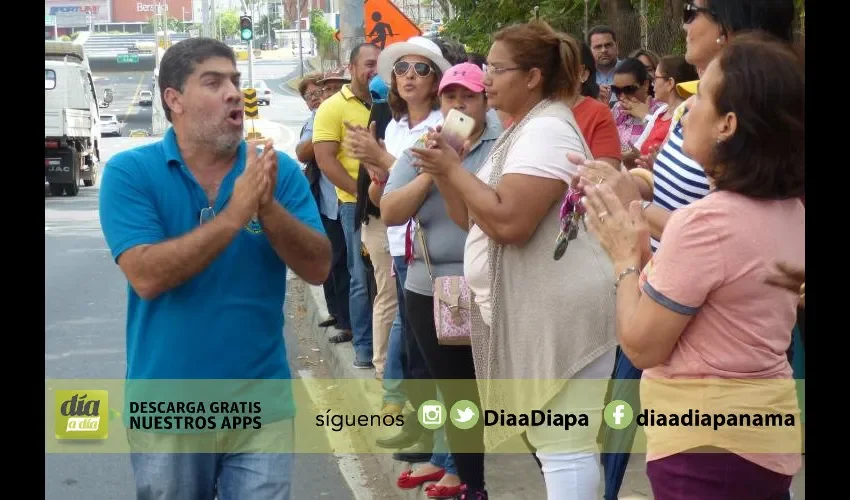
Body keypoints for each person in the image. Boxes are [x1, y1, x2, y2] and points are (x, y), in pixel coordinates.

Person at [572, 4, 798, 497]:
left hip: (706, 448)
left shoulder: (706, 222)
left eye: (700, 104)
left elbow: (642, 344)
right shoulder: (787, 208)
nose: (684, 111)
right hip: (761, 435)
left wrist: (625, 258)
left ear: (728, 125)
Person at [98, 38, 331, 500]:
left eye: (235, 81)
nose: (232, 92)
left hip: (260, 406)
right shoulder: (130, 172)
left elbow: (319, 267)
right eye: (213, 82)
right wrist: (233, 215)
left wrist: (267, 208)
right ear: (174, 99)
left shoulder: (276, 171)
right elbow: (146, 275)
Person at [415, 22, 617, 499]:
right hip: (540, 310)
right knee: (554, 443)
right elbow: (472, 218)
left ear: (531, 76)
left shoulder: (546, 129)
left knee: (564, 446)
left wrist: (450, 169)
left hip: (561, 312)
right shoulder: (522, 129)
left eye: (496, 69)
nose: (486, 79)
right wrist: (446, 168)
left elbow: (510, 224)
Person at [384, 62, 502, 499]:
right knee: (453, 392)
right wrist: (433, 170)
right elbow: (392, 211)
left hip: (489, 282)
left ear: (485, 101)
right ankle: (472, 483)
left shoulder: (502, 143)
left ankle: (466, 473)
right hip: (430, 285)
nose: (458, 105)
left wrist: (455, 168)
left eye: (468, 97)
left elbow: (495, 207)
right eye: (451, 97)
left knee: (496, 391)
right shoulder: (423, 145)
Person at [313, 43, 381, 369]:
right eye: (369, 64)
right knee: (360, 277)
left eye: (381, 65)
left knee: (390, 281)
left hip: (393, 203)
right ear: (351, 68)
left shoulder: (390, 104)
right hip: (354, 206)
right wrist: (362, 193)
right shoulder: (332, 108)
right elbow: (326, 161)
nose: (375, 71)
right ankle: (364, 349)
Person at [297, 72, 352, 337]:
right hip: (327, 201)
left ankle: (348, 323)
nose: (319, 98)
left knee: (348, 266)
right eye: (312, 96)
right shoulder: (316, 118)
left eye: (325, 91)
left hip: (349, 201)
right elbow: (302, 152)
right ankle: (337, 314)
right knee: (332, 260)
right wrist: (324, 128)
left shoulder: (347, 112)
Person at [633, 55, 698, 156]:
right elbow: (638, 146)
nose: (652, 83)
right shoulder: (661, 111)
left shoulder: (684, 117)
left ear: (670, 83)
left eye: (656, 78)